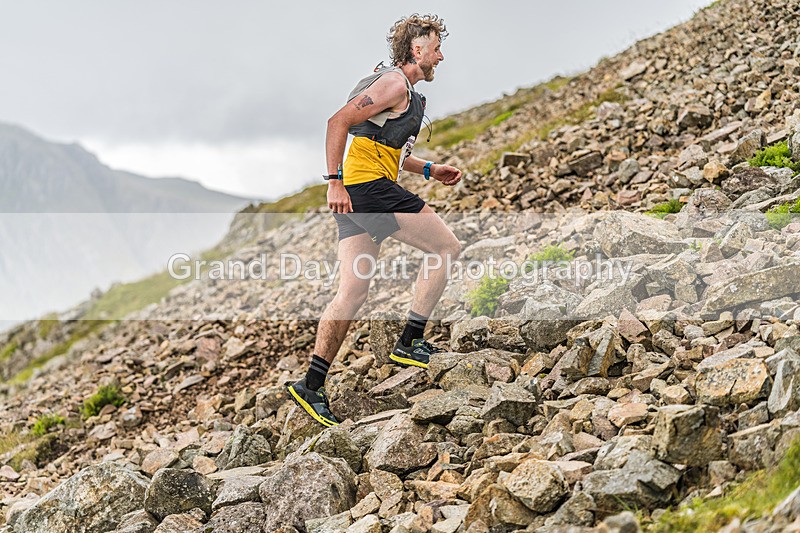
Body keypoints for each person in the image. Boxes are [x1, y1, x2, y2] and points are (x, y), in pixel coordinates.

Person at [287, 14, 463, 427]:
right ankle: (411, 341)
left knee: (352, 293)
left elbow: (385, 147)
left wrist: (428, 169)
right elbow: (338, 122)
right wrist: (333, 182)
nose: (442, 55)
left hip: (361, 191)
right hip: (364, 189)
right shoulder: (394, 84)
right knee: (446, 247)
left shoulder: (407, 95)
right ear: (417, 50)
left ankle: (311, 384)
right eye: (437, 47)